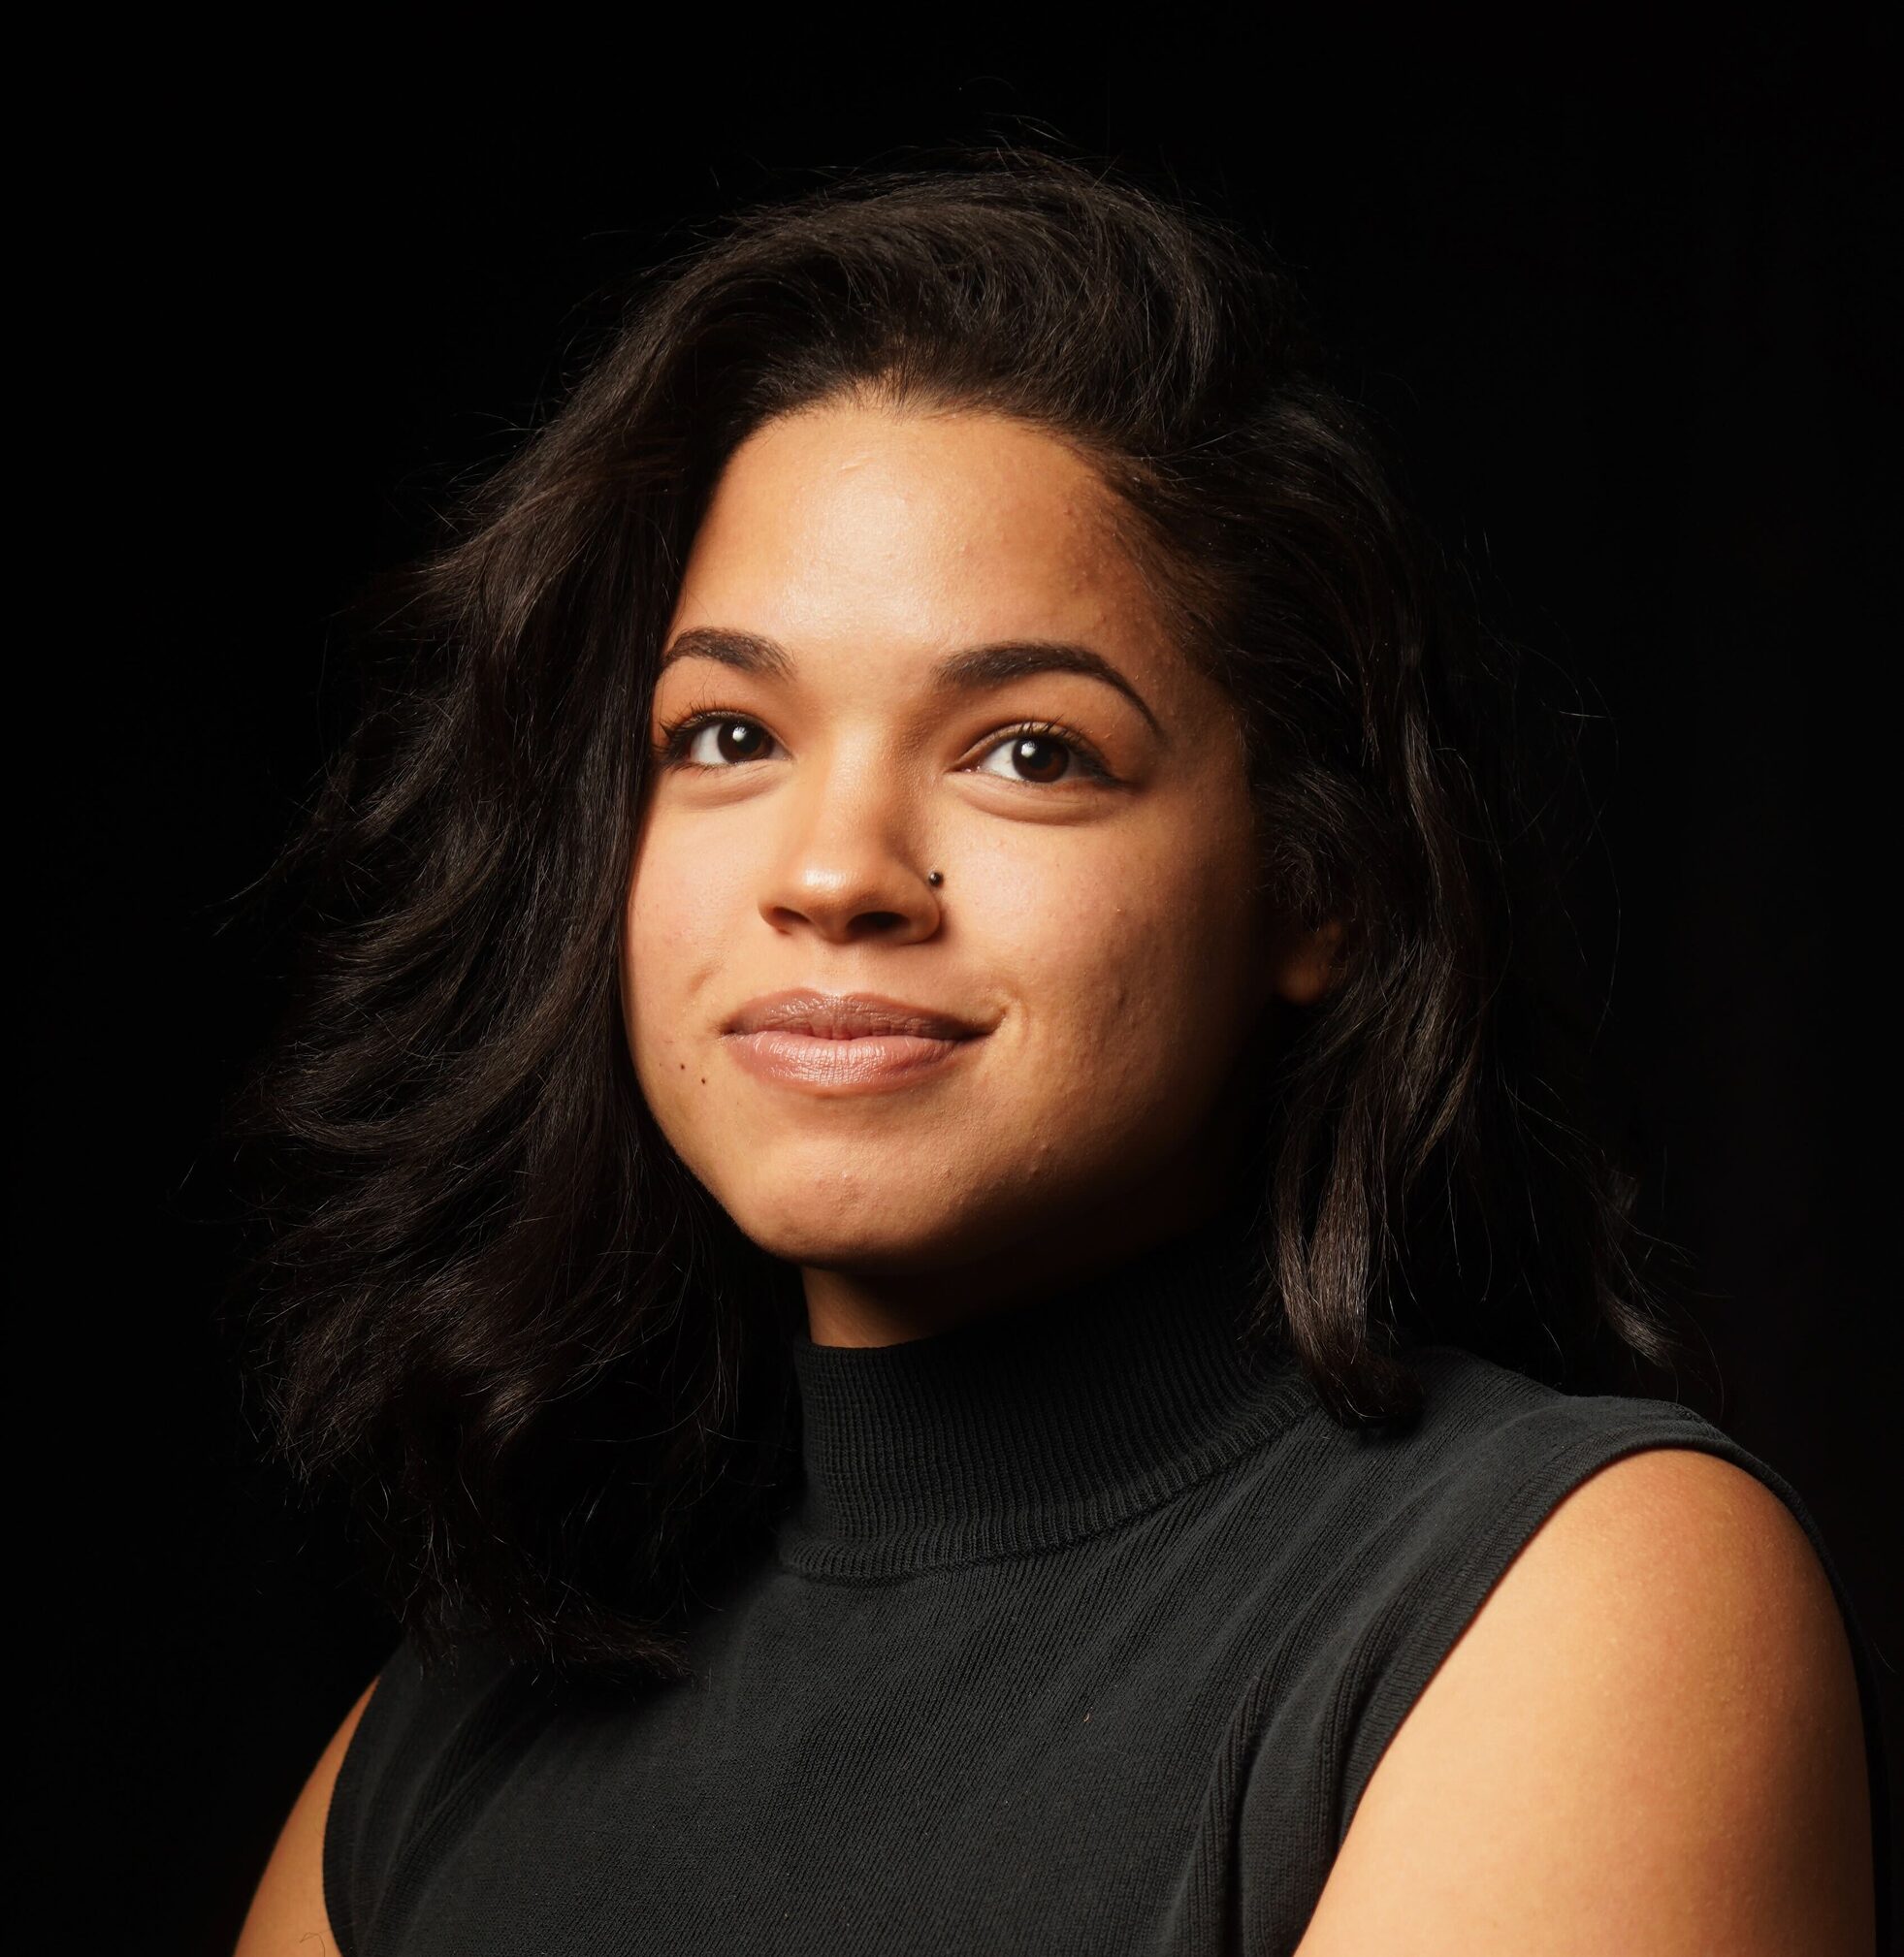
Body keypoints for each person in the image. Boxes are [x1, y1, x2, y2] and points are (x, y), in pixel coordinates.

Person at [232, 149, 1886, 1955]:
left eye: (1029, 751)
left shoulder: (1572, 1591)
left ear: (1316, 885)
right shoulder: (443, 1730)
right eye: (727, 734)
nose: (833, 873)